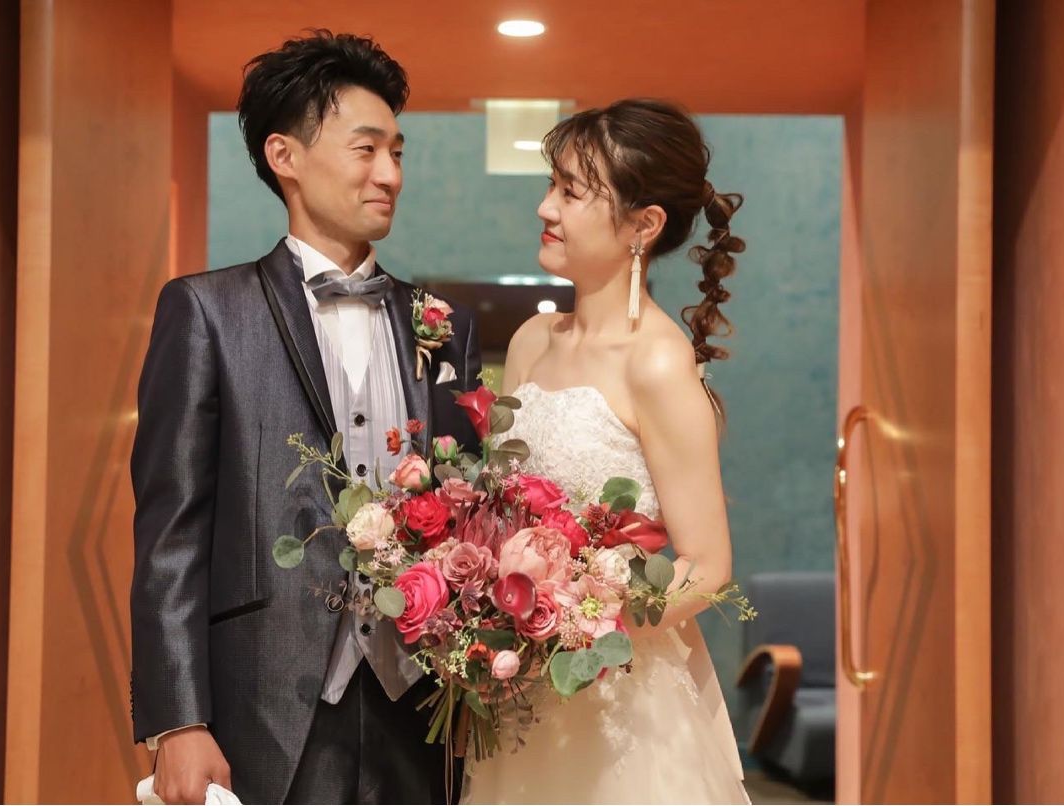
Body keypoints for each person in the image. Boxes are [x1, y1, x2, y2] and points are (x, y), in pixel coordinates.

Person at [130, 31, 480, 804]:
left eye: (397, 152)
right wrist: (177, 722)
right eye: (365, 149)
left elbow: (466, 519)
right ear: (284, 156)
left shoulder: (443, 326)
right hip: (265, 704)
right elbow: (170, 532)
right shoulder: (208, 312)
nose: (389, 174)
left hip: (418, 708)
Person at [462, 98, 751, 804]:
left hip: (617, 702)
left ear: (642, 225)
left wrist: (579, 625)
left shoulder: (657, 362)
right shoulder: (531, 341)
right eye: (551, 184)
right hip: (520, 699)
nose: (545, 207)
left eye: (570, 192)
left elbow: (707, 567)